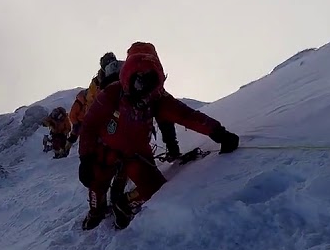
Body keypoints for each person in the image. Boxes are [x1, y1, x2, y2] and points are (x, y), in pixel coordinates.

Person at [76, 42, 239, 230]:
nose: (143, 88)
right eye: (139, 81)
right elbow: (90, 124)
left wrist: (217, 132)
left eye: (149, 81)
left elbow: (186, 116)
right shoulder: (112, 93)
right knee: (97, 182)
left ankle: (123, 203)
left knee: (156, 190)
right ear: (129, 75)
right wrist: (86, 158)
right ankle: (96, 211)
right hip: (105, 150)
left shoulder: (158, 99)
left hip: (135, 154)